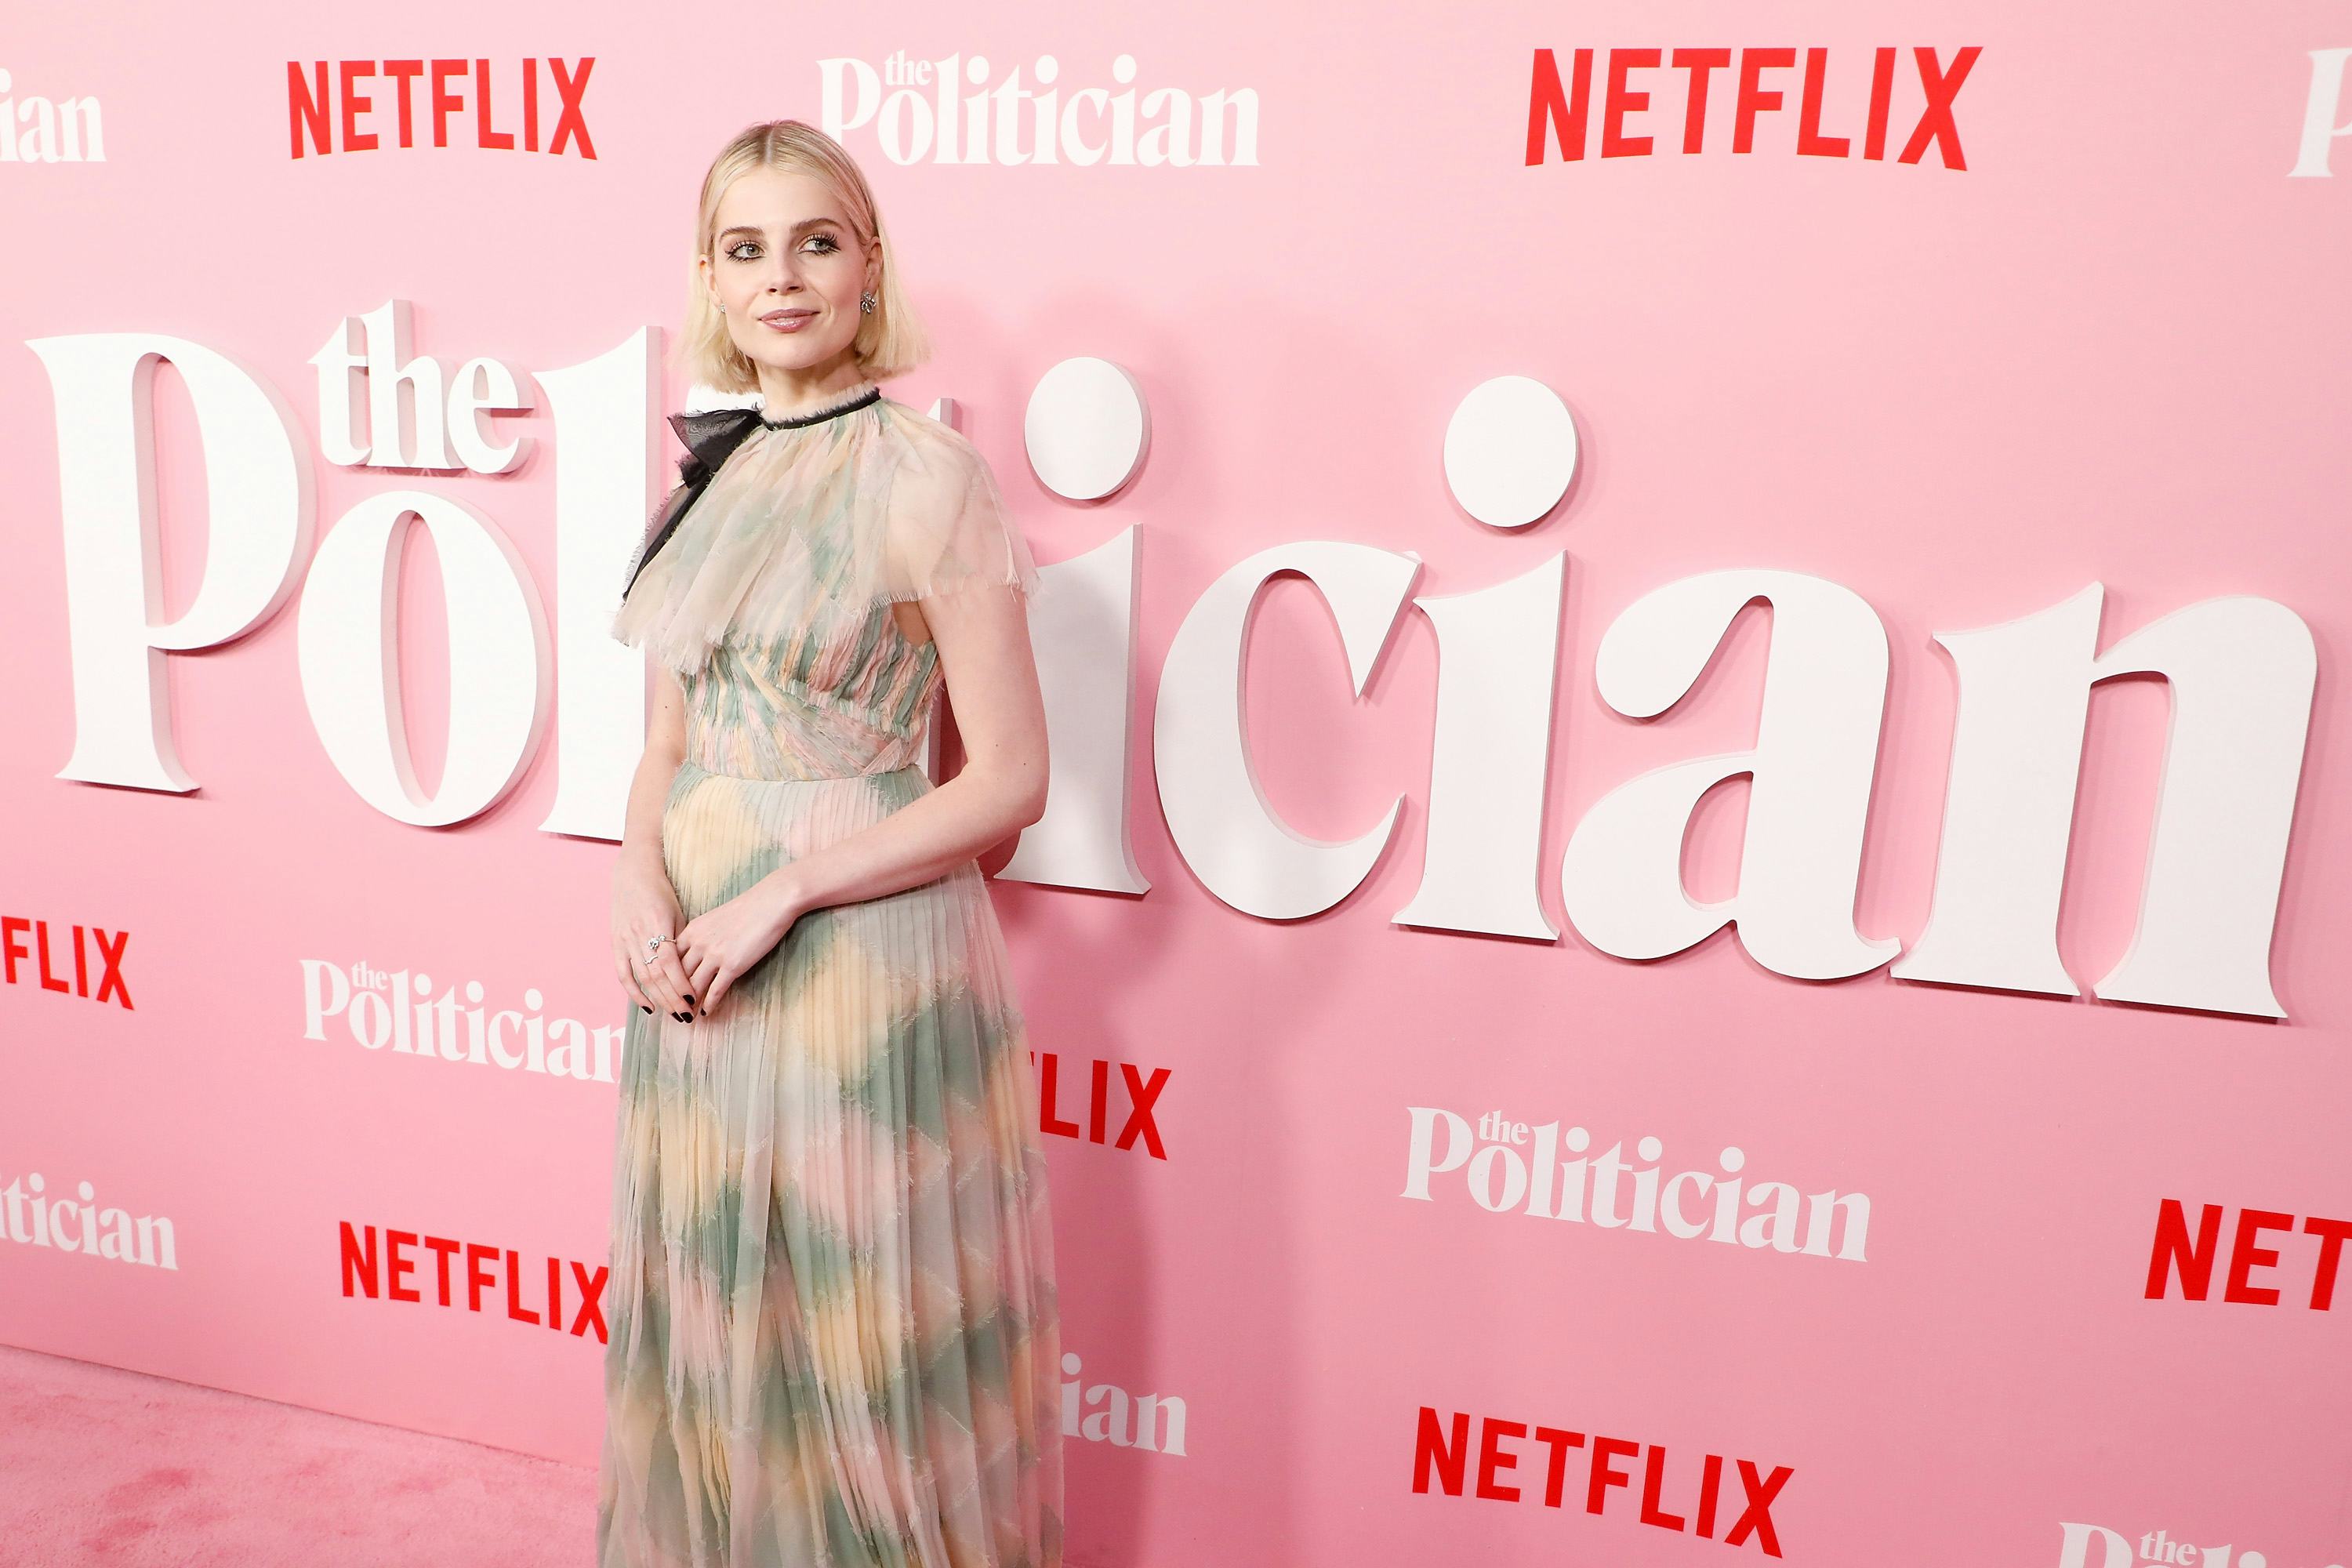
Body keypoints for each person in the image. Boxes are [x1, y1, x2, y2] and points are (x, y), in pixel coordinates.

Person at [595, 119, 1063, 1568]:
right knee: (723, 1311)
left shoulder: (929, 480)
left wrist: (788, 890)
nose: (782, 278)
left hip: (857, 959)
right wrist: (635, 876)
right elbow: (668, 746)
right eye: (747, 249)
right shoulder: (708, 481)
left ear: (869, 267)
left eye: (817, 241)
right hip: (695, 966)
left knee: (865, 1330)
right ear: (710, 282)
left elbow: (1012, 784)